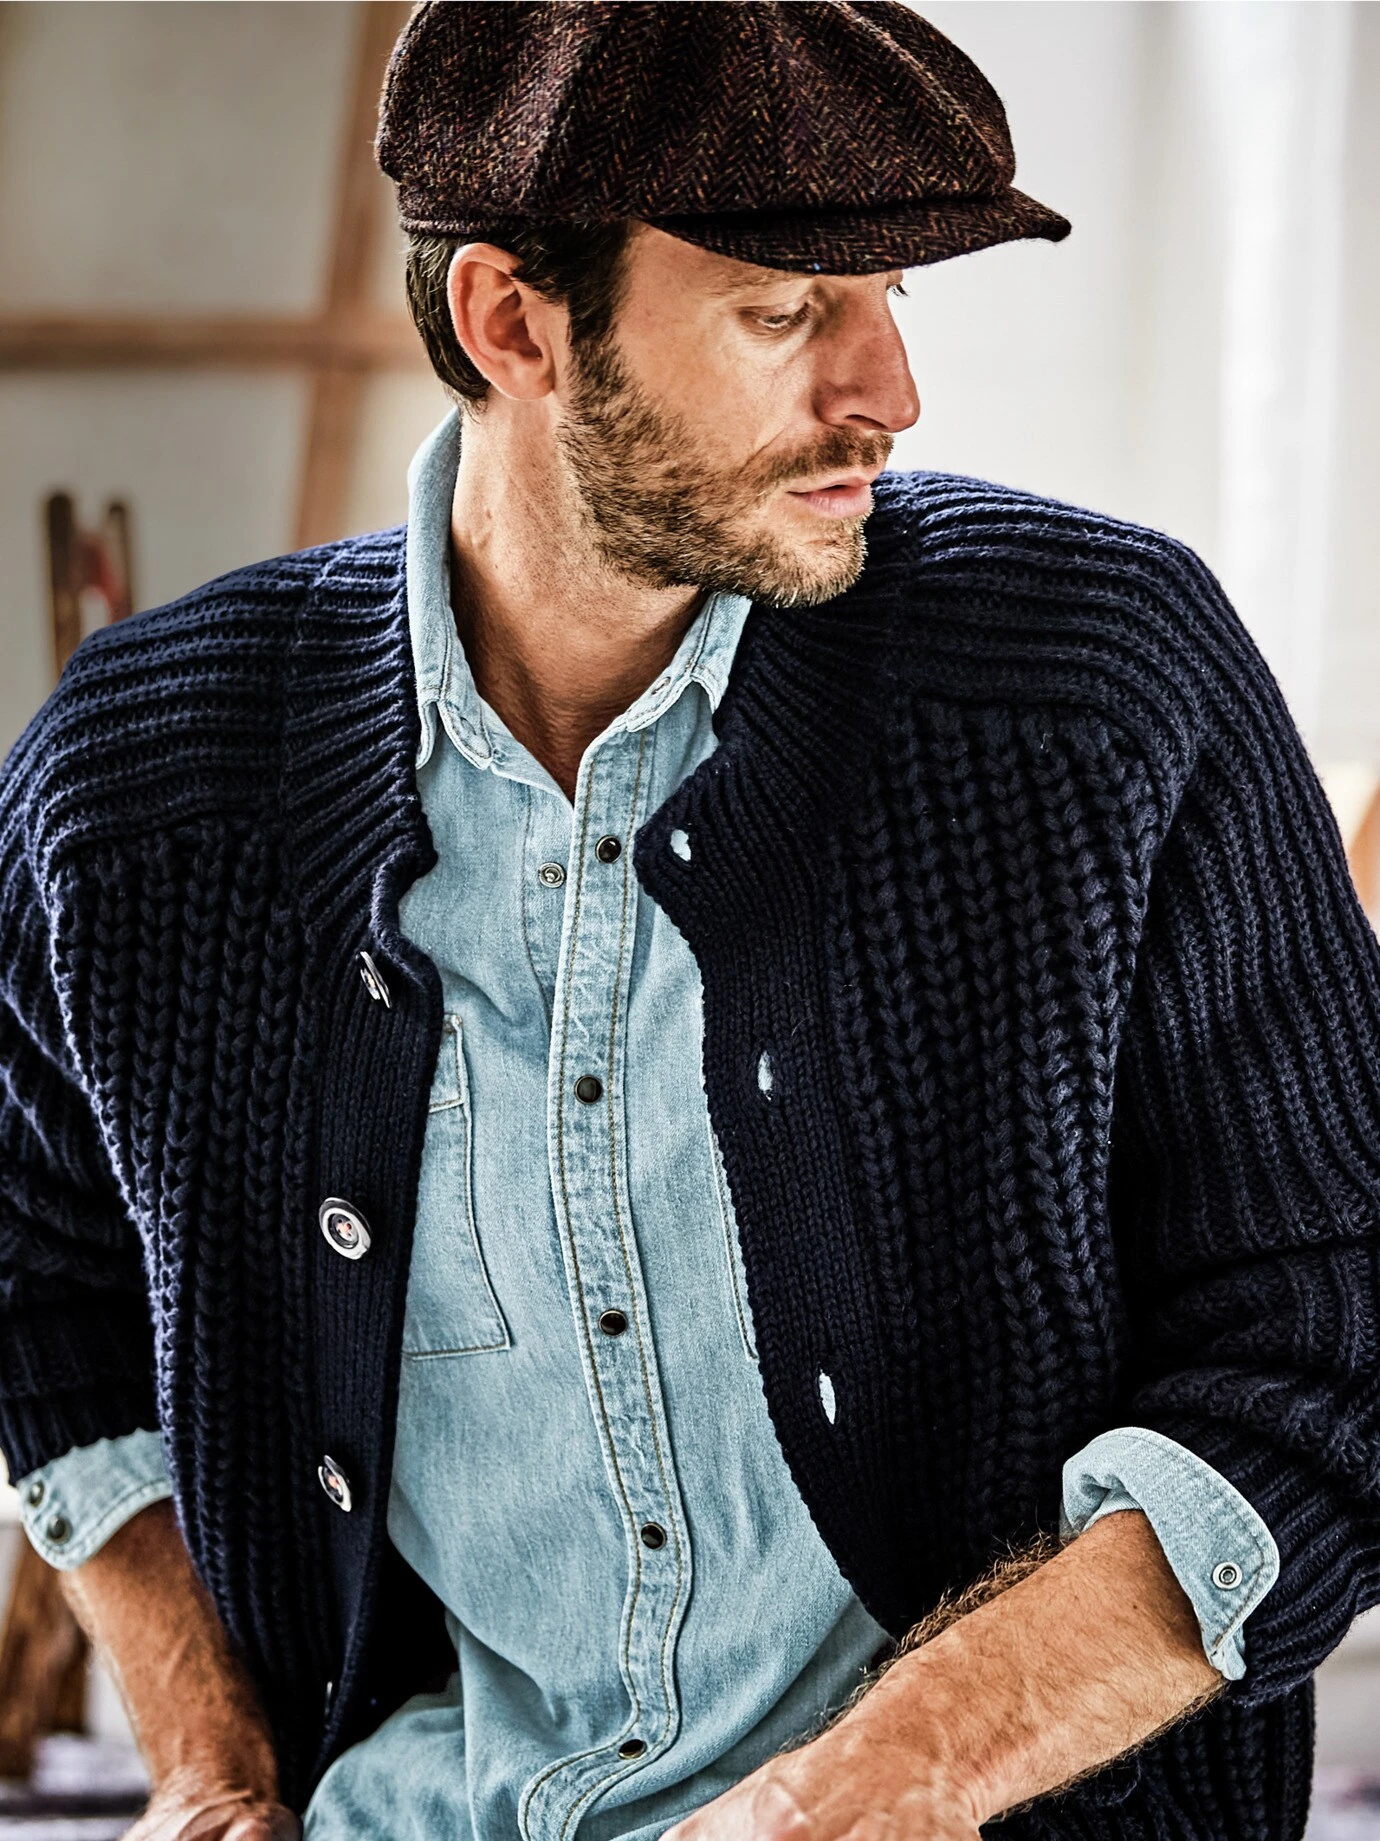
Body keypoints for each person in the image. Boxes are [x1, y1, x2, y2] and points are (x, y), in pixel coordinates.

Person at [1, 5, 1376, 1839]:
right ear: (512, 323)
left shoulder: (1103, 689)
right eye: (786, 312)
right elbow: (41, 1278)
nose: (889, 390)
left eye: (891, 297)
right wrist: (211, 1763)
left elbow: (1335, 1339)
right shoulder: (138, 785)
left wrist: (884, 1784)